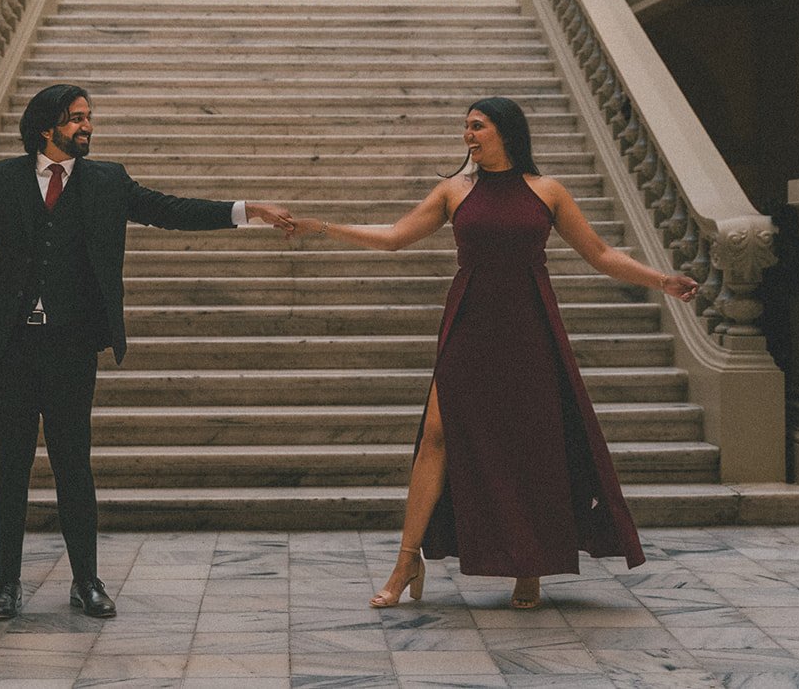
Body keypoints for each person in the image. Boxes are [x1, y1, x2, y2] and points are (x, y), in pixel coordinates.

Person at [289, 98, 700, 610]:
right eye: (465, 126)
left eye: (477, 126)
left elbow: (599, 254)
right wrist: (321, 227)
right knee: (436, 435)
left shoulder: (547, 191)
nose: (468, 135)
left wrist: (662, 280)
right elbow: (395, 237)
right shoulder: (453, 192)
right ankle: (405, 562)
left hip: (529, 324)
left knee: (530, 442)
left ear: (505, 131)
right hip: (470, 322)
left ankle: (530, 567)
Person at [0, 84, 294, 621]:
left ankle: (86, 582)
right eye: (77, 119)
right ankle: (5, 584)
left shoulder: (107, 181)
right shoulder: (2, 180)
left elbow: (169, 210)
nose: (87, 127)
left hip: (72, 347)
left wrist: (245, 210)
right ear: (47, 126)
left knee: (74, 465)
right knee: (10, 469)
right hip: (10, 347)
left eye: (89, 118)